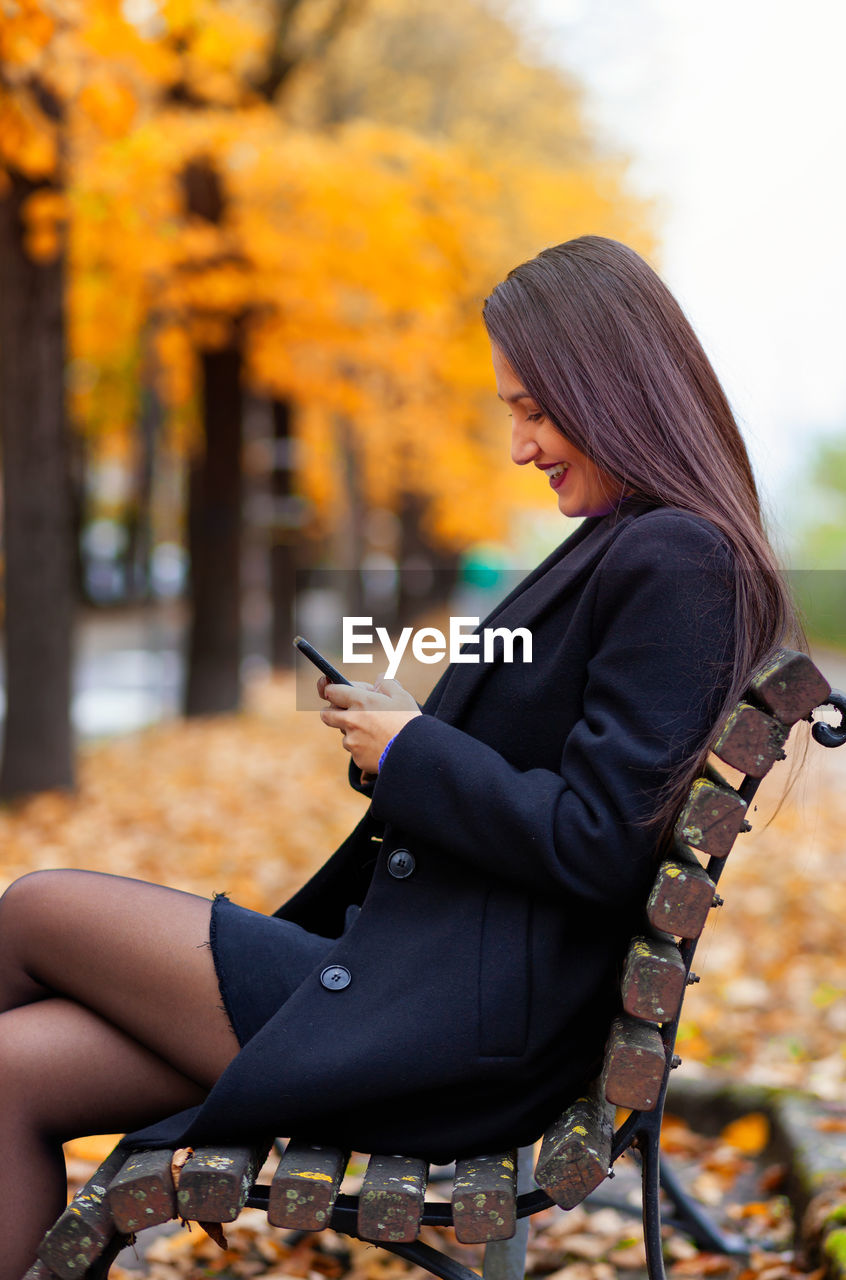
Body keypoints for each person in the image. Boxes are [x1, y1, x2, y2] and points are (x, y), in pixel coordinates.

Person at [0, 236, 800, 1277]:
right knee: (11, 1070)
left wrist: (416, 747)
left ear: (611, 391)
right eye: (513, 410)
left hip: (452, 1033)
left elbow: (599, 843)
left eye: (535, 410)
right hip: (432, 993)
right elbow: (569, 787)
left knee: (37, 902)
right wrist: (405, 744)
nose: (520, 445)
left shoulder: (675, 553)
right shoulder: (644, 541)